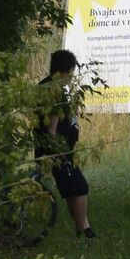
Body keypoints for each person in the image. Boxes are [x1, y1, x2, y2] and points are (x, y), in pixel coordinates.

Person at [36, 49, 95, 238]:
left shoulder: (42, 86)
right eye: (71, 73)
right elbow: (51, 129)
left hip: (48, 148)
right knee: (80, 187)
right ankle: (84, 232)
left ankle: (84, 230)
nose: (71, 77)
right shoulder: (55, 93)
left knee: (73, 189)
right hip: (56, 151)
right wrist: (59, 153)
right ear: (63, 72)